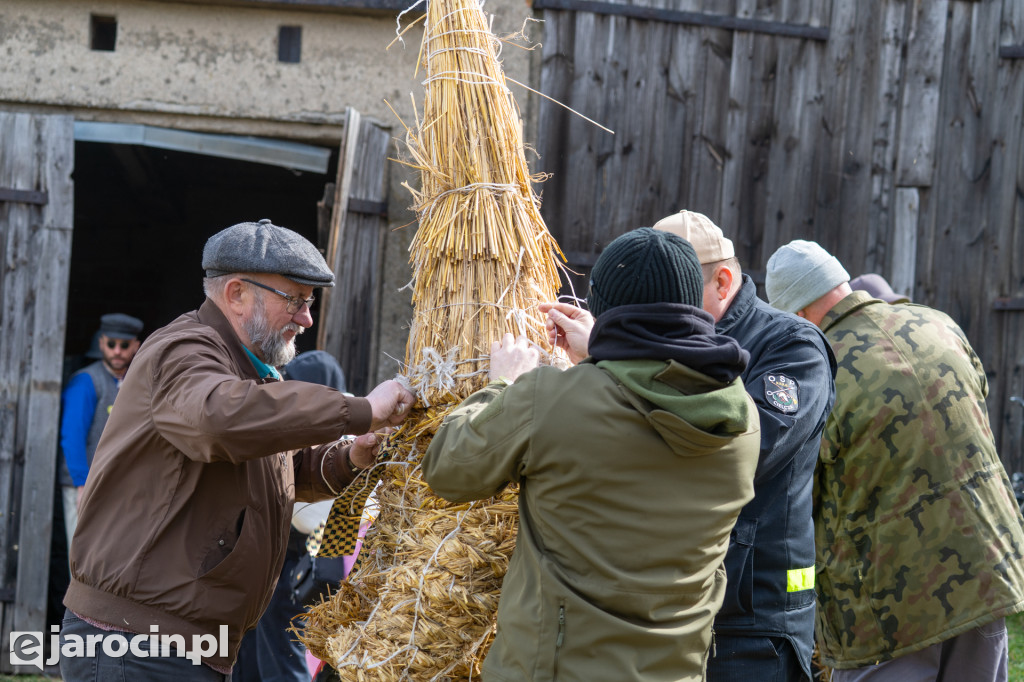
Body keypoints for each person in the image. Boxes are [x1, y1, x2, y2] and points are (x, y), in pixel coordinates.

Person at [60, 219, 415, 681]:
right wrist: (359, 409)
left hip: (178, 644)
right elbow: (218, 421)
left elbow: (275, 468)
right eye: (295, 301)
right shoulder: (184, 350)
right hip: (136, 644)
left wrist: (351, 456)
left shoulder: (253, 372)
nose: (306, 318)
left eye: (310, 303)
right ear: (235, 294)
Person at [423, 227, 762, 681]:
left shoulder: (548, 399)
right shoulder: (741, 418)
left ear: (601, 307)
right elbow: (640, 416)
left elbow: (449, 470)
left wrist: (504, 384)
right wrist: (603, 356)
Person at [540, 210, 836, 681]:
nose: (655, 318)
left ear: (722, 281)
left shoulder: (791, 346)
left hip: (748, 624)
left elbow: (732, 452)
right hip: (664, 612)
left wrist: (613, 353)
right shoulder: (664, 342)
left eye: (673, 298)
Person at [764, 239, 1024, 682]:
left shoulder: (815, 365)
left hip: (887, 603)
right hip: (985, 570)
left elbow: (797, 496)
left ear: (799, 314)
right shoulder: (936, 323)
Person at [231, 350, 350, 682]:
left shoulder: (335, 441)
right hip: (284, 563)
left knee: (284, 652)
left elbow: (311, 517)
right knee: (262, 649)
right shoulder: (332, 434)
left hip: (297, 563)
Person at [58, 312, 144, 546]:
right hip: (85, 485)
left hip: (120, 486)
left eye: (124, 345)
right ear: (101, 343)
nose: (117, 350)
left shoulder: (137, 382)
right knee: (82, 555)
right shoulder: (86, 381)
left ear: (136, 346)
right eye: (111, 344)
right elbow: (72, 437)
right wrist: (81, 484)